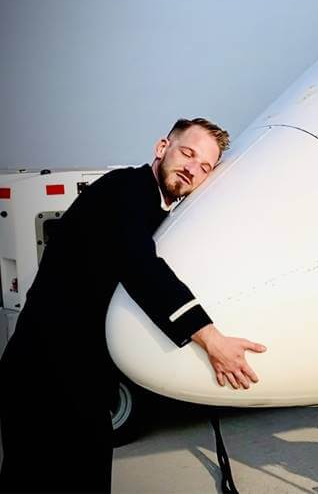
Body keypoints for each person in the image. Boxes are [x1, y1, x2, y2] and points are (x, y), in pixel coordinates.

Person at [0, 118, 266, 493]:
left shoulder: (155, 206)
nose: (192, 169)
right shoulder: (124, 189)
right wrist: (212, 339)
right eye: (187, 153)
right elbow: (142, 268)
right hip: (45, 379)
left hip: (80, 378)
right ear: (162, 148)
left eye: (205, 167)